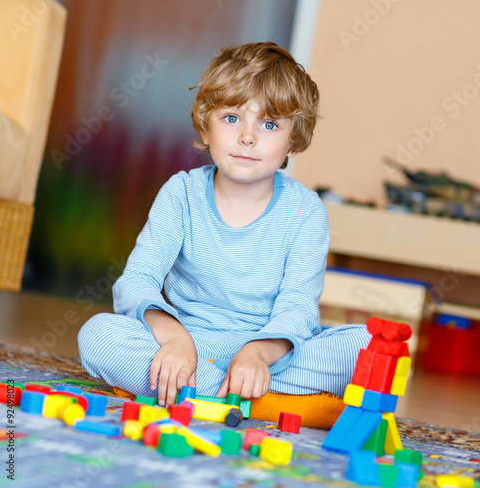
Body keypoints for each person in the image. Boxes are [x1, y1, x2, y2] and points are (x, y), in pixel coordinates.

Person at [78, 42, 370, 407]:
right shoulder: (181, 194)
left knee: (365, 347)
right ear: (205, 128)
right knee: (97, 336)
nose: (247, 136)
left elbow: (298, 308)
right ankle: (247, 396)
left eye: (269, 124)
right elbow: (137, 281)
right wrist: (174, 339)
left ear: (293, 141)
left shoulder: (306, 211)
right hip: (190, 342)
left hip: (272, 354)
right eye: (231, 118)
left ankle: (201, 388)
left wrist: (258, 354)